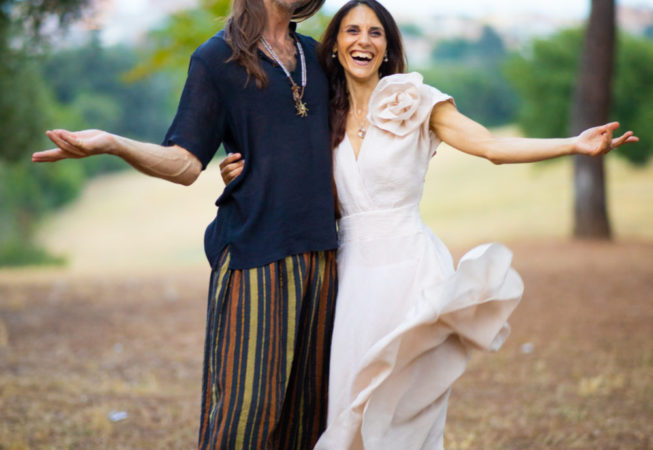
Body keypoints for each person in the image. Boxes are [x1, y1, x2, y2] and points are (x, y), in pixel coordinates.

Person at [220, 1, 639, 448]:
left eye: (376, 33)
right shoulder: (321, 115)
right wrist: (239, 177)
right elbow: (289, 181)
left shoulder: (415, 101)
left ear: (387, 48)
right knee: (349, 405)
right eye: (352, 31)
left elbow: (490, 146)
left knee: (405, 413)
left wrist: (573, 145)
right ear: (336, 46)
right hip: (352, 280)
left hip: (412, 273)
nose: (364, 40)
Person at [32, 0, 342, 448]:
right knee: (245, 418)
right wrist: (113, 143)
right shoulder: (217, 58)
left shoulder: (318, 56)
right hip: (255, 255)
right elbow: (183, 163)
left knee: (308, 421)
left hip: (323, 255)